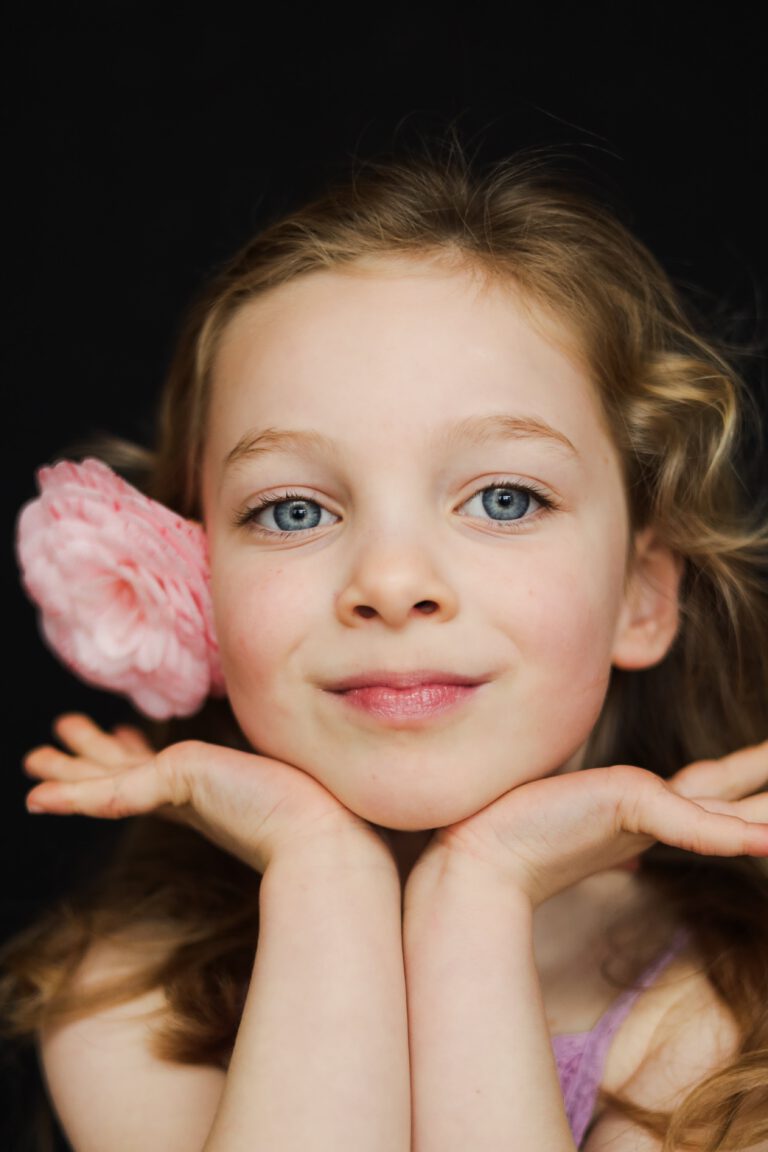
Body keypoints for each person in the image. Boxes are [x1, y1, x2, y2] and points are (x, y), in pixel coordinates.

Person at [2, 142, 767, 1152]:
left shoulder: (731, 1025)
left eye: (503, 498)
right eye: (291, 512)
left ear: (639, 595)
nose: (393, 584)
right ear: (200, 594)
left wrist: (476, 891)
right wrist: (326, 878)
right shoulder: (127, 1006)